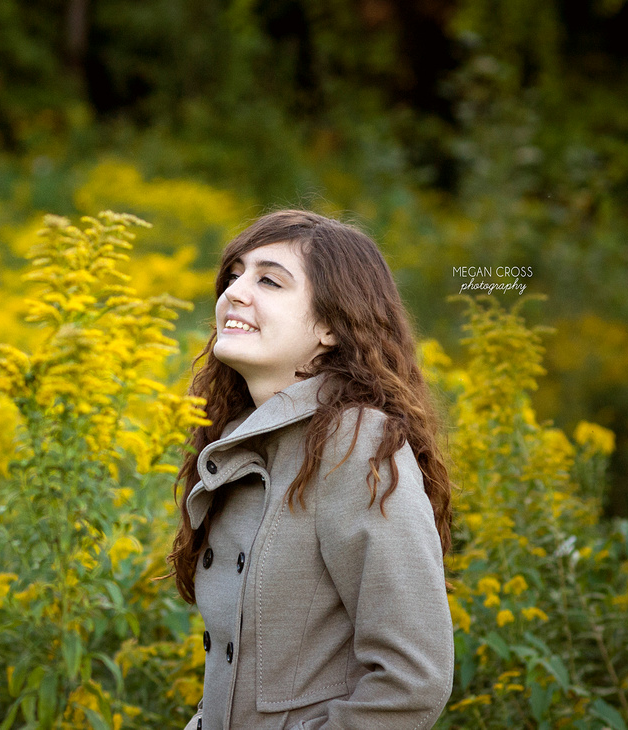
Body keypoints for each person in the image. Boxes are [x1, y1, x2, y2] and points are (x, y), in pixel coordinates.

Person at [169, 210, 454, 730]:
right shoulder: (238, 441)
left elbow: (412, 680)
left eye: (269, 280)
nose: (235, 292)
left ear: (330, 325)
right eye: (233, 276)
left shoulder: (354, 441)